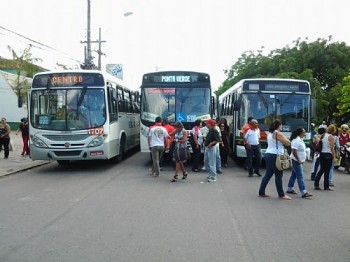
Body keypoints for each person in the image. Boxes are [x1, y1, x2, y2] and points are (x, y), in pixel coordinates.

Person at [258, 119, 292, 200]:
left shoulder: (269, 133)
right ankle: (281, 194)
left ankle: (261, 192)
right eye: (281, 125)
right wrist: (286, 138)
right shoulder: (278, 133)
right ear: (279, 126)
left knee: (268, 174)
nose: (282, 127)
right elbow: (287, 143)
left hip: (268, 154)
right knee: (279, 175)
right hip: (275, 156)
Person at [286, 128, 313, 198]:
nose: (305, 134)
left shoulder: (300, 140)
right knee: (300, 176)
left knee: (294, 175)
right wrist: (298, 159)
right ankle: (303, 191)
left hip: (299, 160)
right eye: (304, 132)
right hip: (296, 160)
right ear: (300, 133)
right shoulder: (296, 140)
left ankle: (289, 188)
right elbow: (294, 151)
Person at [314, 124, 337, 191]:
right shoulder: (331, 137)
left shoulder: (323, 135)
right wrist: (334, 156)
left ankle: (316, 184)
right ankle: (326, 186)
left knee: (321, 170)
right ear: (332, 130)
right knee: (327, 171)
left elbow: (318, 144)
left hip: (322, 154)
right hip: (328, 155)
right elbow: (332, 148)